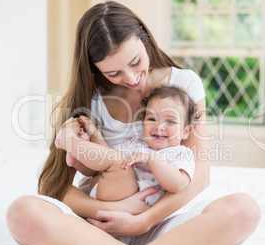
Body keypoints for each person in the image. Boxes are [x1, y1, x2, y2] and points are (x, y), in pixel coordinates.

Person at [6, 1, 260, 245]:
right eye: (114, 73)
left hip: (163, 220)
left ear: (143, 34)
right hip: (98, 226)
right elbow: (55, 185)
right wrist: (113, 209)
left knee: (243, 210)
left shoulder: (184, 84)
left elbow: (200, 176)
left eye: (135, 61)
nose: (130, 78)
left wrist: (143, 221)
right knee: (22, 213)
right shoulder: (90, 96)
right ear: (95, 68)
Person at [55, 86, 199, 206]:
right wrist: (95, 135)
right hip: (107, 192)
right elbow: (107, 156)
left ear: (186, 131)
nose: (159, 126)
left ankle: (71, 143)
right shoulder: (136, 143)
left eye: (170, 122)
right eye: (152, 118)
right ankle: (77, 159)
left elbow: (178, 184)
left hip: (130, 204)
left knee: (119, 161)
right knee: (111, 160)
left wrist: (151, 160)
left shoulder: (182, 154)